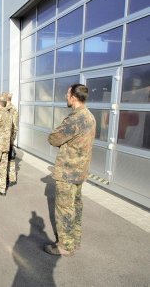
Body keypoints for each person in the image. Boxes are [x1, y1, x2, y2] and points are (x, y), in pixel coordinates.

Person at [44, 83, 96, 257]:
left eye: (67, 94)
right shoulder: (89, 116)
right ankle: (74, 240)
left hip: (68, 172)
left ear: (73, 97)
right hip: (80, 171)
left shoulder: (75, 119)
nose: (66, 97)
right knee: (75, 207)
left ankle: (65, 246)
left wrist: (55, 136)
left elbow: (54, 138)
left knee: (65, 209)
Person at [3, 92, 19, 185]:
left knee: (8, 157)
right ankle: (11, 177)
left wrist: (11, 139)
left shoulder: (10, 109)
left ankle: (8, 177)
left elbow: (14, 126)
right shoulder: (12, 108)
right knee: (10, 157)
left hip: (8, 136)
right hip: (9, 136)